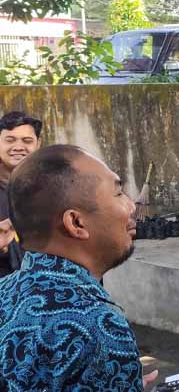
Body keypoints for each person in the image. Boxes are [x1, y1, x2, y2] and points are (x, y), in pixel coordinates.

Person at [0, 145, 158, 390]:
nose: (131, 205)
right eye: (118, 194)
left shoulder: (5, 290)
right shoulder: (98, 326)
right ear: (76, 223)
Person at [0, 110, 43, 277]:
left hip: (42, 289)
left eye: (27, 141)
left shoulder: (52, 188)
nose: (18, 147)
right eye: (10, 140)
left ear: (38, 144)